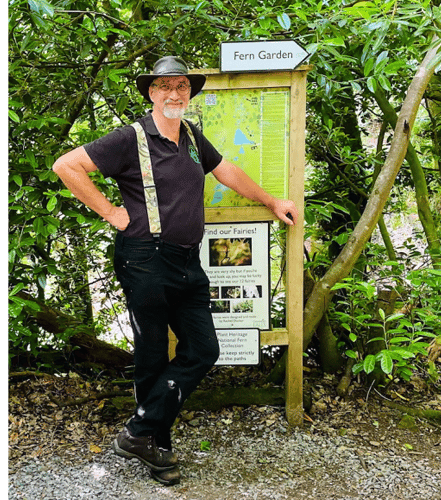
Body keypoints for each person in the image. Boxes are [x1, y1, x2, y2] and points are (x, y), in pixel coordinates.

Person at [52, 56, 299, 486]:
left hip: (187, 260)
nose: (174, 93)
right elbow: (66, 165)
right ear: (151, 92)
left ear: (189, 93)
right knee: (151, 356)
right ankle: (157, 450)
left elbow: (228, 172)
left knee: (203, 349)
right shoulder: (130, 138)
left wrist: (273, 202)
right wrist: (112, 212)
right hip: (144, 259)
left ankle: (137, 432)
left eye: (181, 86)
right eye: (165, 86)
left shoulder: (189, 135)